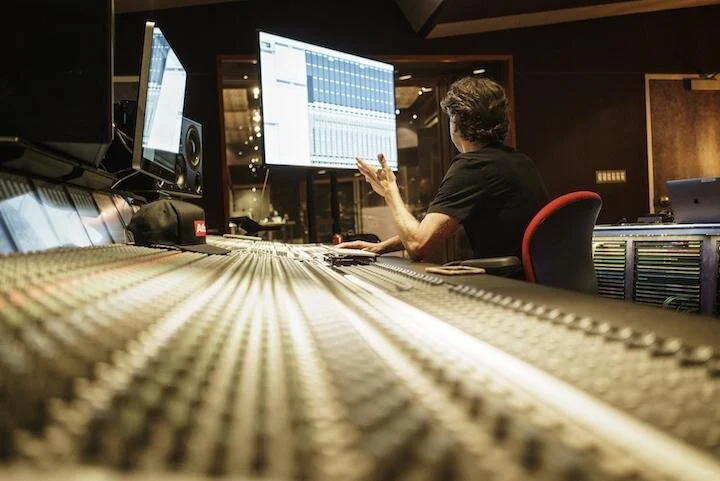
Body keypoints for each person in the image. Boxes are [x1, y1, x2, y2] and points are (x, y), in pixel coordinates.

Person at [337, 76, 549, 262]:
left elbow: (417, 246)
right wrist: (381, 247)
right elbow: (436, 228)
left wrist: (389, 190)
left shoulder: (473, 166)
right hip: (534, 284)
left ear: (457, 121)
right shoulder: (519, 161)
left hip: (504, 286)